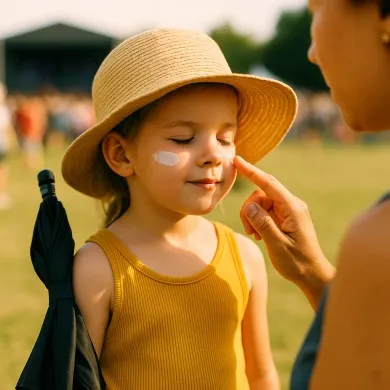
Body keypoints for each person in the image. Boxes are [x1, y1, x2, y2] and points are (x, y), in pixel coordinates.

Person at [61, 28, 298, 389]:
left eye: (225, 138)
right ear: (121, 154)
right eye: (184, 139)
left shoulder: (245, 256)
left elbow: (261, 374)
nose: (213, 155)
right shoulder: (98, 269)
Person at [234, 0, 390, 389]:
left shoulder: (379, 243)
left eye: (315, 9)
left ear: (385, 17)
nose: (313, 52)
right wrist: (316, 277)